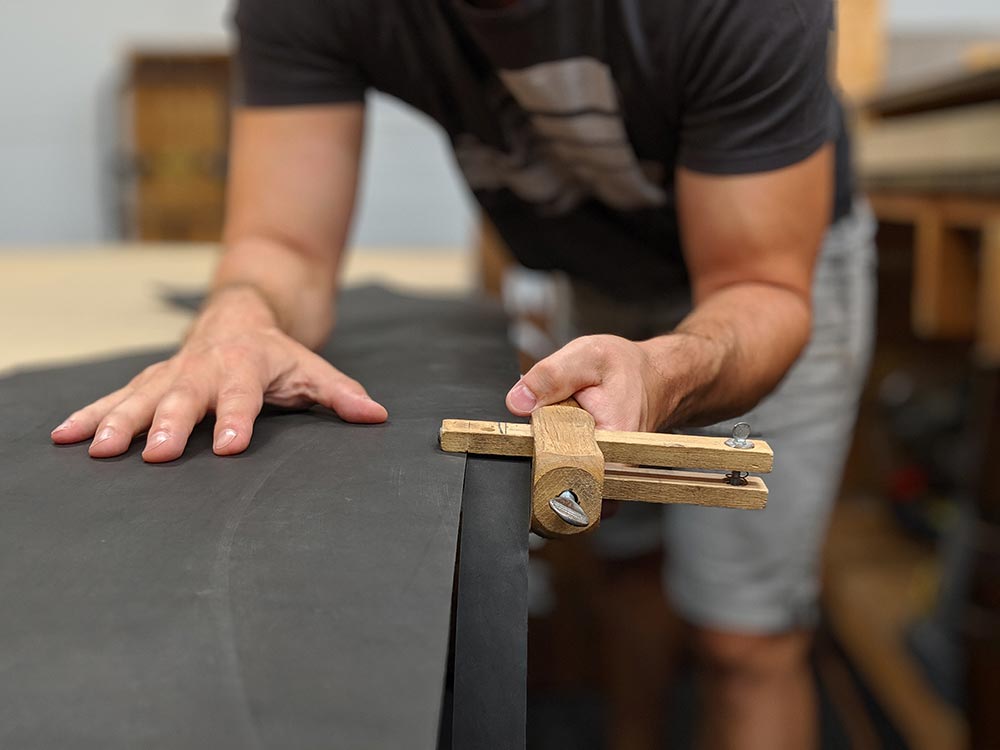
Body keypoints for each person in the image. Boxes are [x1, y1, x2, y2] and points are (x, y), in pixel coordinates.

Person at [51, 1, 875, 747]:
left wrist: (667, 368)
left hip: (764, 281)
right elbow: (284, 246)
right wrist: (239, 319)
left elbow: (759, 287)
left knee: (746, 636)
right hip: (594, 270)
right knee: (626, 566)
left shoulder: (743, 12)